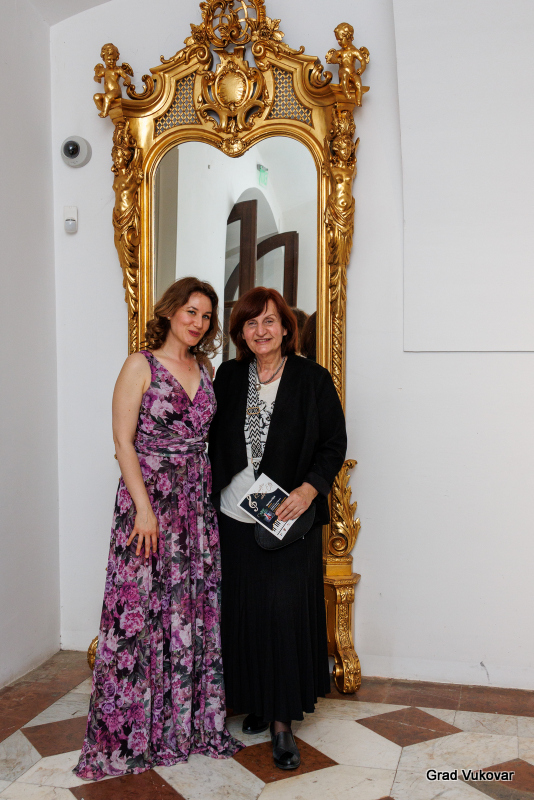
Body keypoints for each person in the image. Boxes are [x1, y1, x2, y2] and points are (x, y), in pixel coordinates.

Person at [75, 277, 243, 781]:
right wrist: (144, 510)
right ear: (170, 311)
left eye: (206, 316)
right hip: (149, 503)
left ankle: (184, 728)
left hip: (195, 507)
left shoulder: (206, 368)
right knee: (142, 611)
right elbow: (123, 442)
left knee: (188, 610)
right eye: (191, 311)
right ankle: (132, 732)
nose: (198, 322)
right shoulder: (140, 365)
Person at [208, 287, 347, 770]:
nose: (261, 330)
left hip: (288, 519)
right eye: (251, 323)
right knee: (245, 613)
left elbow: (333, 443)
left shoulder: (312, 378)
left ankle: (283, 722)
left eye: (269, 321)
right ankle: (257, 702)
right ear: (241, 333)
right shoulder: (228, 376)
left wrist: (309, 490)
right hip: (233, 516)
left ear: (287, 328)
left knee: (283, 616)